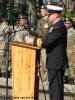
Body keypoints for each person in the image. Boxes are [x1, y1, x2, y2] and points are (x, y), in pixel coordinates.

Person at [25, 5, 69, 100]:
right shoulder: (56, 26)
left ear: (56, 15)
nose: (48, 17)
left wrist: (32, 41)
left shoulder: (59, 26)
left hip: (56, 63)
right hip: (54, 62)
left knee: (55, 89)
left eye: (50, 15)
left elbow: (47, 42)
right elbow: (47, 39)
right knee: (54, 88)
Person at [36, 4, 51, 83]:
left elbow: (50, 33)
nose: (41, 12)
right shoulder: (40, 21)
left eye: (42, 11)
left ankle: (46, 80)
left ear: (46, 11)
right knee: (40, 64)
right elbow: (38, 32)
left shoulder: (49, 21)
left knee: (46, 63)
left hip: (46, 44)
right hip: (39, 44)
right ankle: (41, 80)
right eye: (41, 11)